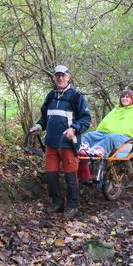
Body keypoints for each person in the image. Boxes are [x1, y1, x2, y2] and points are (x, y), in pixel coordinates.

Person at [30, 65, 91, 218]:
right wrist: (38, 126)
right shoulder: (50, 96)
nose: (60, 78)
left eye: (63, 75)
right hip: (51, 144)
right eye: (57, 75)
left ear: (68, 76)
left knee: (71, 177)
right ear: (53, 78)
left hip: (69, 145)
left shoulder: (77, 96)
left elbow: (86, 119)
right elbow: (45, 117)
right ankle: (57, 202)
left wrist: (74, 129)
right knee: (51, 176)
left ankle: (72, 205)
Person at [76, 89, 133, 184]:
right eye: (123, 97)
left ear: (132, 99)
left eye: (127, 97)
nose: (124, 99)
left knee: (111, 138)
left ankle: (98, 151)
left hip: (124, 137)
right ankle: (82, 149)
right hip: (108, 133)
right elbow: (106, 124)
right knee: (89, 135)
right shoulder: (116, 109)